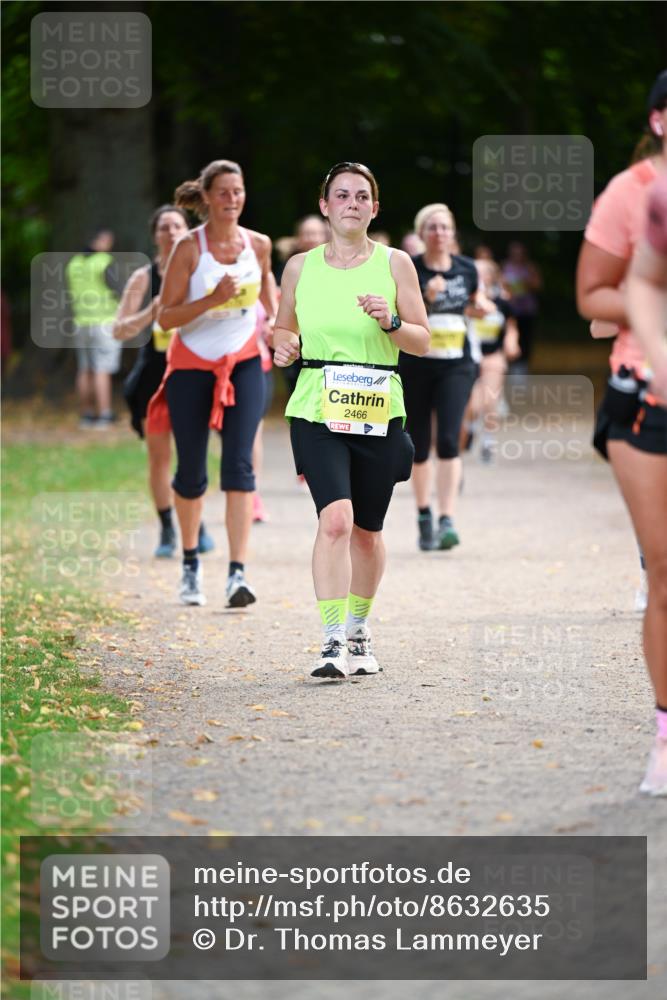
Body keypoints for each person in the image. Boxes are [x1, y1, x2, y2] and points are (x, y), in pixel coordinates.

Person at [273, 162, 429, 679]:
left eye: (362, 196)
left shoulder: (397, 263)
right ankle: (331, 640)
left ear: (374, 208)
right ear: (325, 206)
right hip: (317, 403)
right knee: (334, 520)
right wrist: (283, 347)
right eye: (342, 195)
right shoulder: (298, 267)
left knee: (366, 531)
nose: (352, 203)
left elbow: (422, 341)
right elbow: (281, 332)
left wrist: (392, 321)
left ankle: (359, 632)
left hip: (377, 404)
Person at [576, 69, 667, 796]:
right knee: (664, 573)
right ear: (659, 121)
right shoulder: (629, 192)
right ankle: (666, 738)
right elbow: (591, 296)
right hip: (646, 399)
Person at [147, 159, 278, 607]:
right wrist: (211, 300)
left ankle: (237, 575)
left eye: (238, 191)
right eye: (223, 192)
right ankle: (189, 565)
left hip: (242, 363)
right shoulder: (188, 248)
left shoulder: (258, 245)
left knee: (240, 466)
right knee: (191, 472)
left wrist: (277, 323)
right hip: (191, 367)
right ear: (205, 198)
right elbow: (166, 316)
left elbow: (270, 296)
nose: (232, 199)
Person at [113, 205, 215, 558]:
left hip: (192, 373)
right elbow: (119, 328)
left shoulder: (202, 271)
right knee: (159, 458)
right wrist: (150, 312)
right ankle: (168, 529)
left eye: (177, 226)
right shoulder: (143, 277)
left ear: (188, 232)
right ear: (154, 235)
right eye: (164, 227)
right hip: (153, 378)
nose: (171, 233)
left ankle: (196, 525)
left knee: (193, 456)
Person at [399, 203, 480, 551]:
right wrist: (427, 301)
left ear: (453, 234)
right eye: (432, 227)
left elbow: (474, 304)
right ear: (421, 234)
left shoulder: (467, 268)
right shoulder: (408, 270)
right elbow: (401, 315)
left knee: (449, 440)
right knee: (418, 443)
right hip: (416, 363)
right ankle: (423, 514)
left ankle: (447, 518)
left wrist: (484, 307)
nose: (439, 233)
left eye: (445, 227)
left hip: (455, 364)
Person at [65, 229, 122, 429]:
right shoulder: (104, 261)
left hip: (81, 322)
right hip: (104, 321)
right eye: (107, 240)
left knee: (84, 369)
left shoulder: (74, 264)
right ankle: (104, 414)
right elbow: (118, 290)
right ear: (99, 241)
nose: (110, 245)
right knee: (102, 369)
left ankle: (87, 414)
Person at [466, 258, 521, 462]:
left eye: (482, 272)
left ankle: (488, 442)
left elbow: (511, 327)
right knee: (472, 406)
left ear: (491, 276)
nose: (478, 277)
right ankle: (470, 428)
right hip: (469, 357)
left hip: (493, 357)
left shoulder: (503, 302)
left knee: (490, 400)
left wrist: (511, 341)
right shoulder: (464, 300)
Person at [501, 240, 541, 373]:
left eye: (519, 252)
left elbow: (538, 285)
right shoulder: (505, 266)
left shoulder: (530, 267)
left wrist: (526, 283)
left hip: (526, 310)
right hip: (510, 310)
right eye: (514, 252)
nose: (517, 255)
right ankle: (508, 366)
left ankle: (522, 368)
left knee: (525, 340)